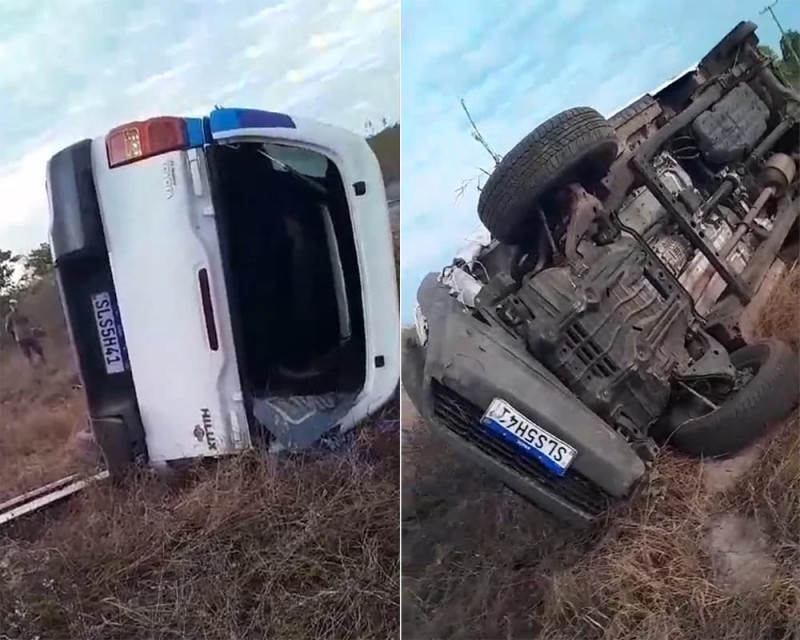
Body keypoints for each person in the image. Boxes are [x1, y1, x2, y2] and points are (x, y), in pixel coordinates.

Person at [4, 299, 46, 365]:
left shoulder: (21, 314)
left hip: (27, 335)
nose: (13, 306)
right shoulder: (10, 316)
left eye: (14, 304)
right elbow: (8, 328)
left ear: (16, 305)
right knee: (28, 354)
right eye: (12, 305)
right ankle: (34, 368)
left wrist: (33, 328)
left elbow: (29, 323)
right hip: (22, 337)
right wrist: (14, 333)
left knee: (38, 350)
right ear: (10, 306)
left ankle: (43, 364)